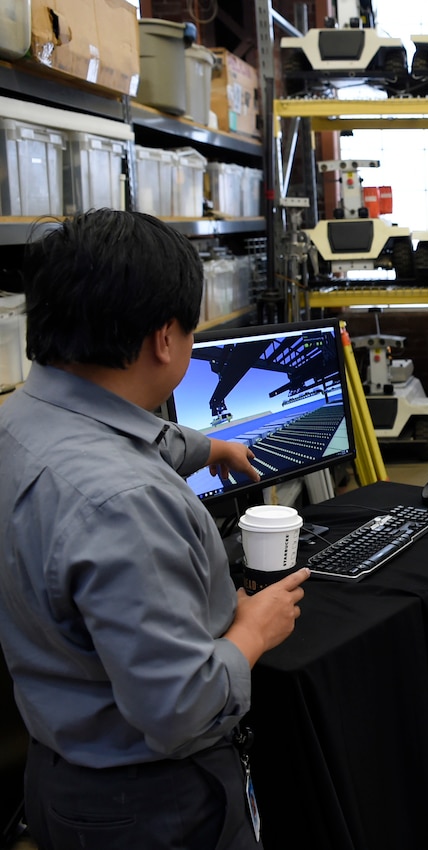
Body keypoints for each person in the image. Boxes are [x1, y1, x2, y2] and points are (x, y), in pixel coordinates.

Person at [0, 210, 311, 850]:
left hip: (59, 777)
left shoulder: (22, 419)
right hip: (151, 805)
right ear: (165, 339)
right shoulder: (125, 503)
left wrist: (209, 450)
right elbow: (181, 709)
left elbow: (112, 430)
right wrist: (253, 631)